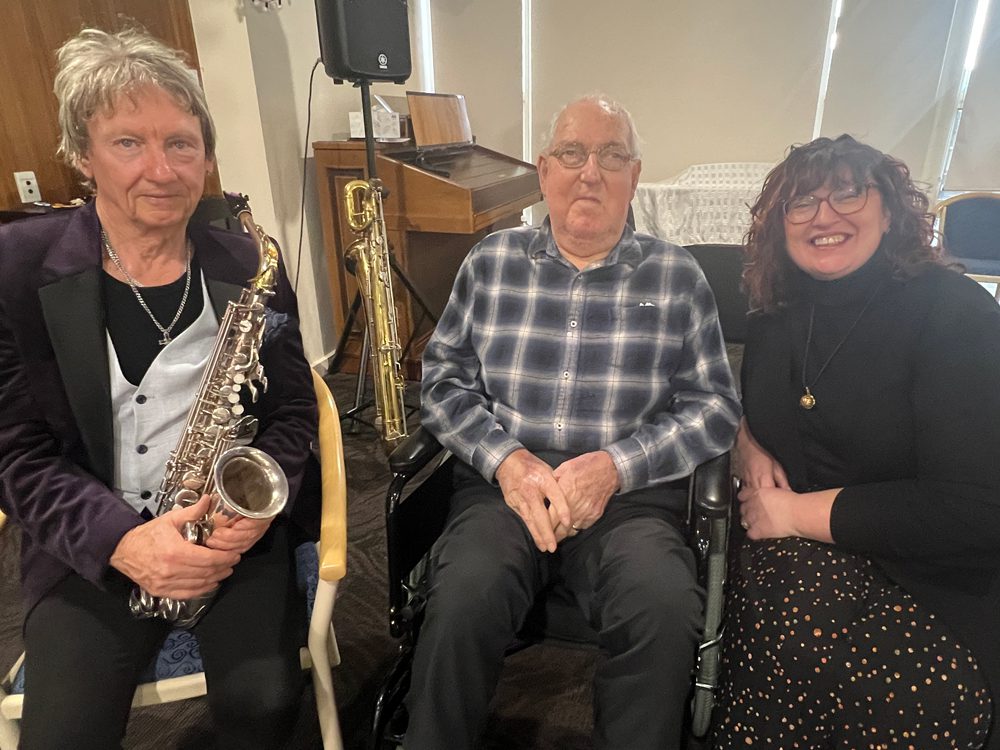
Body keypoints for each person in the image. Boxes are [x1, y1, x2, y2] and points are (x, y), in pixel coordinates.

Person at [0, 28, 317, 749]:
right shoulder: (16, 268)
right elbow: (16, 452)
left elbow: (294, 409)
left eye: (181, 143)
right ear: (83, 155)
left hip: (230, 527)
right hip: (94, 540)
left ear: (206, 154)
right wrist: (124, 542)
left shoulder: (248, 262)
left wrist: (257, 506)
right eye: (128, 143)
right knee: (64, 735)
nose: (162, 169)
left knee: (265, 703)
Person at [406, 94, 741, 750]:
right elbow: (443, 383)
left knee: (664, 606)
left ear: (635, 176)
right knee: (463, 595)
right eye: (572, 153)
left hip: (629, 502)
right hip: (507, 490)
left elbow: (715, 406)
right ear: (543, 170)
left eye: (612, 155)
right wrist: (507, 460)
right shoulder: (491, 263)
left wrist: (617, 465)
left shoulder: (677, 277)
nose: (591, 171)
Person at [713, 134, 1000, 749]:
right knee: (776, 620)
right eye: (802, 203)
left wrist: (791, 512)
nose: (825, 216)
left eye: (847, 194)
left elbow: (974, 508)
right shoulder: (774, 309)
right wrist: (746, 440)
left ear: (889, 210)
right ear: (778, 225)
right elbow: (751, 400)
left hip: (932, 578)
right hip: (796, 566)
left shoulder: (955, 315)